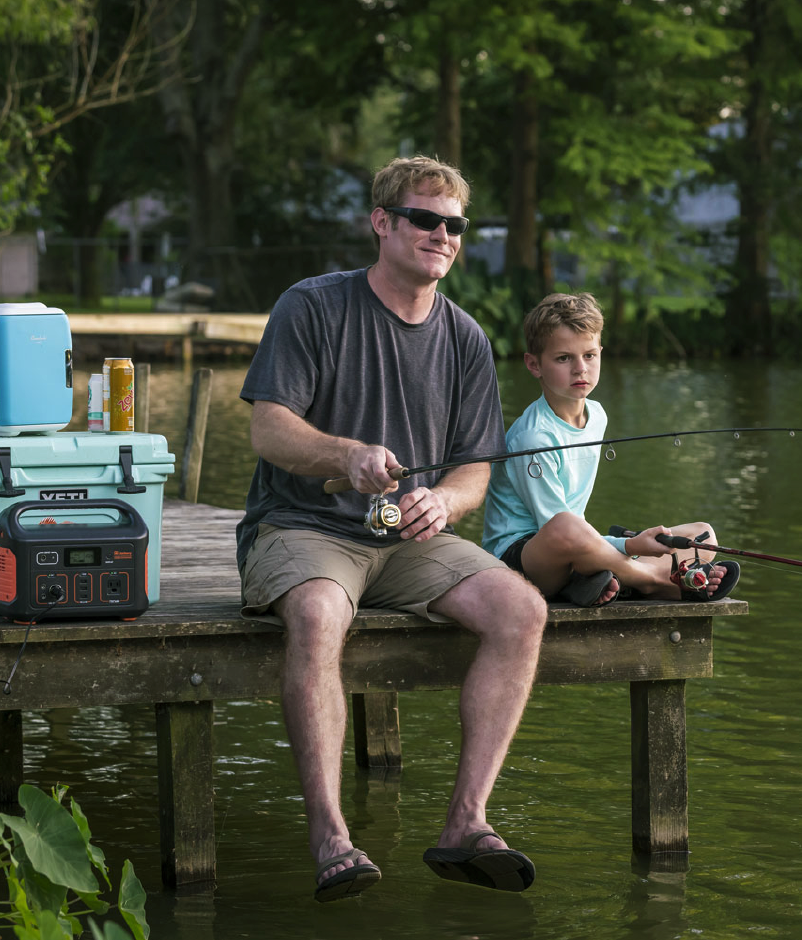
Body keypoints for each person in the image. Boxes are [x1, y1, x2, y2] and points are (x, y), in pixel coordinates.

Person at [236, 155, 546, 903]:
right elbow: (268, 430)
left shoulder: (466, 337)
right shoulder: (313, 307)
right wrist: (345, 453)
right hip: (303, 526)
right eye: (424, 218)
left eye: (454, 225)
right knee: (316, 614)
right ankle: (332, 837)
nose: (442, 234)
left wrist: (444, 501)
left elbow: (475, 469)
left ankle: (466, 824)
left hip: (410, 541)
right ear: (382, 222)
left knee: (522, 609)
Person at [482, 291, 740, 606]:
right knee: (569, 527)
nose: (580, 369)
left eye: (589, 355)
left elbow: (578, 533)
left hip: (578, 544)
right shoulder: (534, 439)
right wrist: (628, 547)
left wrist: (630, 545)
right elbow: (559, 530)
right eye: (564, 358)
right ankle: (654, 580)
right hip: (522, 560)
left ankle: (607, 580)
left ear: (601, 353)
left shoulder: (597, 415)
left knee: (703, 536)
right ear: (534, 364)